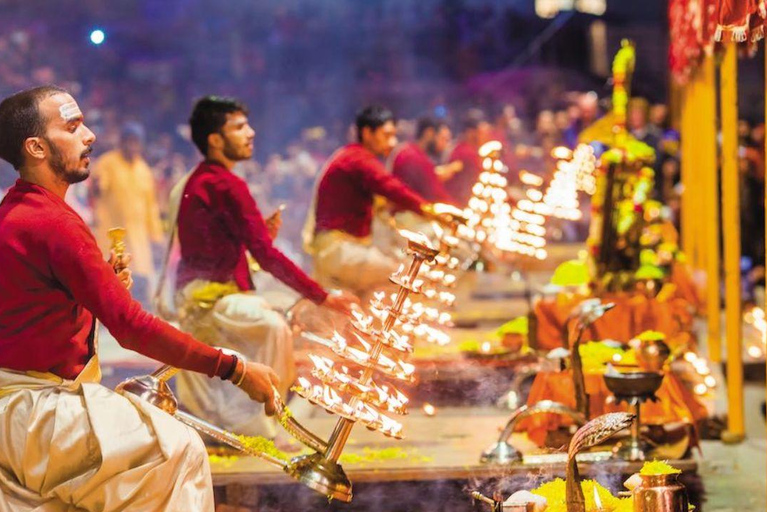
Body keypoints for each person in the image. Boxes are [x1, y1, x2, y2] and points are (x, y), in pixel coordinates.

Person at [0, 85, 279, 511]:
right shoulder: (50, 222)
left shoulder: (21, 210)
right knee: (179, 449)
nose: (90, 135)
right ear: (36, 147)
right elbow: (131, 328)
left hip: (21, 405)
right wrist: (234, 368)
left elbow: (31, 306)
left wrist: (97, 284)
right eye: (73, 127)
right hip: (33, 410)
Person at [168, 96, 358, 439]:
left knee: (281, 316)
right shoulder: (224, 184)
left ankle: (258, 415)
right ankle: (258, 424)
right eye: (239, 127)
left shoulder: (206, 180)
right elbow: (267, 257)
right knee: (274, 326)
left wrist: (254, 241)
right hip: (207, 300)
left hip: (210, 293)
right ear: (215, 139)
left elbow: (224, 249)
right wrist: (323, 297)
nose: (251, 133)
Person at [303, 105, 440, 297]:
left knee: (383, 285)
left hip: (343, 250)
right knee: (402, 276)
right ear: (367, 133)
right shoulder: (358, 160)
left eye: (394, 135)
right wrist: (431, 211)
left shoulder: (354, 156)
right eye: (386, 135)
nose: (392, 143)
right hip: (340, 252)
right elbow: (392, 188)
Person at [91, 121, 164, 306]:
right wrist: (97, 186)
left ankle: (138, 320)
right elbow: (99, 189)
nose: (132, 146)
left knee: (139, 279)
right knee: (112, 279)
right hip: (112, 235)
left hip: (139, 238)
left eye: (136, 142)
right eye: (128, 141)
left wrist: (156, 236)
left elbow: (151, 206)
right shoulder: (107, 163)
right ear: (121, 142)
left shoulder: (144, 170)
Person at [444, 108, 492, 206]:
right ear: (471, 132)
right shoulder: (466, 153)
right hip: (461, 205)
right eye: (481, 132)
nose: (485, 136)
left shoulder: (465, 149)